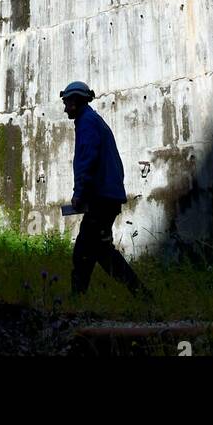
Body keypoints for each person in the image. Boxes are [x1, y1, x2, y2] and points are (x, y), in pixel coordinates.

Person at [60, 80, 152, 299]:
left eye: (66, 102)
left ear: (76, 101)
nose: (64, 108)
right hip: (107, 198)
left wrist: (79, 193)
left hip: (100, 199)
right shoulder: (94, 121)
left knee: (83, 250)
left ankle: (76, 300)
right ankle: (143, 297)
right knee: (101, 252)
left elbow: (87, 159)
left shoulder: (87, 123)